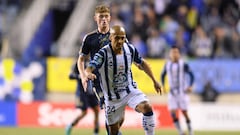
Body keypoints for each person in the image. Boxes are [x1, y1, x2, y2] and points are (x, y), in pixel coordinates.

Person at [84, 25, 162, 135]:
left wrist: (154, 81)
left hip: (129, 90)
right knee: (113, 132)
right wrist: (88, 73)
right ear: (110, 37)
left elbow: (143, 63)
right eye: (117, 38)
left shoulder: (130, 49)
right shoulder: (103, 53)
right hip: (112, 98)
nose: (120, 41)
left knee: (147, 107)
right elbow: (90, 66)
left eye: (123, 38)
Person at [77, 4, 124, 135]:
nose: (103, 19)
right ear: (95, 18)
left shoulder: (117, 36)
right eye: (101, 16)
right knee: (108, 108)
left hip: (116, 81)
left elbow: (126, 54)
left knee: (117, 115)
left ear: (110, 18)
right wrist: (83, 75)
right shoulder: (89, 38)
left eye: (106, 16)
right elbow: (81, 59)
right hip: (99, 82)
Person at [161, 46, 194, 135]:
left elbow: (191, 75)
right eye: (173, 52)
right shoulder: (167, 64)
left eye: (176, 52)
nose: (175, 54)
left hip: (182, 92)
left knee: (184, 112)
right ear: (170, 54)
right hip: (172, 93)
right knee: (173, 113)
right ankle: (180, 132)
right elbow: (163, 75)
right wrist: (163, 86)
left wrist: (190, 85)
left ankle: (191, 131)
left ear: (179, 54)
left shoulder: (183, 64)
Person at [66, 62, 99, 135]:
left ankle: (96, 132)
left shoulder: (92, 62)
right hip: (82, 92)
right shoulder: (77, 63)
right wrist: (80, 76)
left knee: (96, 110)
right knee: (84, 112)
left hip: (91, 92)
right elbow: (70, 75)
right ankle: (70, 125)